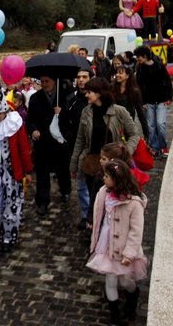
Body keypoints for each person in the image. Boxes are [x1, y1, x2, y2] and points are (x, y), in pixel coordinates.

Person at [69, 77, 139, 227]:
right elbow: (80, 140)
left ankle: (111, 230)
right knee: (95, 199)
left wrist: (125, 152)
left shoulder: (118, 111)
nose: (86, 95)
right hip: (92, 164)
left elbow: (134, 134)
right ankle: (96, 230)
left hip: (113, 165)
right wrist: (74, 164)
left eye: (89, 92)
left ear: (99, 94)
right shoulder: (86, 112)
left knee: (113, 199)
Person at [87, 159, 148, 325]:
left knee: (124, 280)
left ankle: (133, 293)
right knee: (110, 280)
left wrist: (129, 253)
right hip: (106, 245)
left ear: (118, 179)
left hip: (123, 249)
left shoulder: (134, 204)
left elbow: (136, 232)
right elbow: (98, 213)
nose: (104, 178)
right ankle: (115, 318)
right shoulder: (103, 193)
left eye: (107, 176)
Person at [0, 85, 33, 254]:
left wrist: (27, 170)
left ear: (6, 111)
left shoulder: (14, 124)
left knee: (11, 206)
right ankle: (2, 227)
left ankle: (7, 238)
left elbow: (24, 148)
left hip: (12, 171)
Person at [26, 74, 71, 216]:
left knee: (62, 169)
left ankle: (65, 190)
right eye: (42, 81)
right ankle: (43, 201)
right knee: (42, 173)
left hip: (59, 141)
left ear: (54, 81)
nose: (44, 84)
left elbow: (72, 118)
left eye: (47, 81)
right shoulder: (35, 98)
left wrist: (62, 113)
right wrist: (33, 130)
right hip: (42, 142)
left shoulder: (64, 96)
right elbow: (30, 119)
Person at [63, 66, 92, 229]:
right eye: (79, 77)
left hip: (94, 148)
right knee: (81, 185)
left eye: (85, 77)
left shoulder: (96, 98)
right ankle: (85, 215)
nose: (81, 80)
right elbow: (65, 122)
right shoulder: (71, 98)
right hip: (77, 147)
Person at [133, 45, 173, 158]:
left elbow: (167, 81)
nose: (137, 59)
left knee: (160, 124)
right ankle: (154, 147)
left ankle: (163, 145)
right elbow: (139, 86)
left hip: (161, 100)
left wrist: (170, 97)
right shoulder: (140, 69)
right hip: (148, 102)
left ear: (145, 56)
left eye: (139, 56)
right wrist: (143, 101)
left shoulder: (159, 66)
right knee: (151, 125)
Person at [111, 64, 146, 138]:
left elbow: (140, 112)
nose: (117, 75)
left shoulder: (134, 91)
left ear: (127, 76)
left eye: (120, 73)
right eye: (117, 73)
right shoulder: (112, 87)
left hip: (127, 124)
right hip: (113, 123)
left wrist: (146, 133)